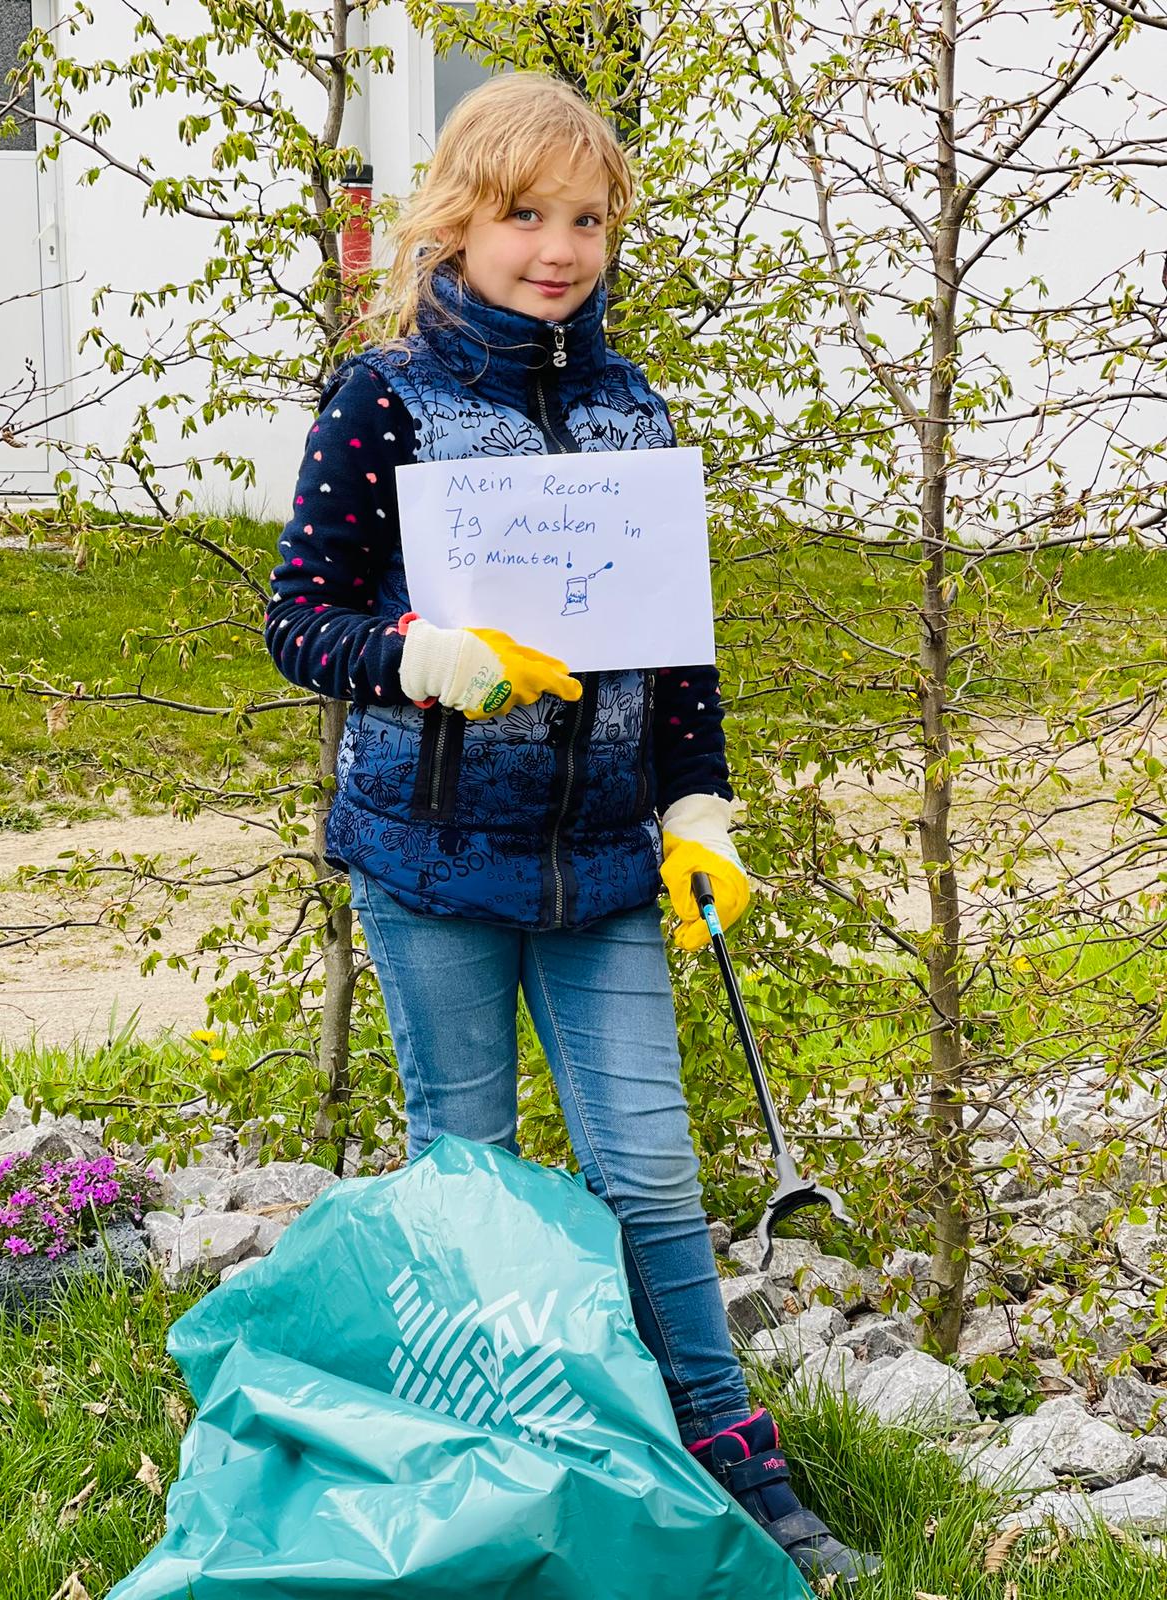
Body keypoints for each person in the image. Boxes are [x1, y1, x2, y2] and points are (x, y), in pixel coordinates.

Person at [265, 70, 879, 1587]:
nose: (559, 248)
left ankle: (725, 1453)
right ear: (456, 222)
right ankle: (498, 1464)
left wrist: (697, 810)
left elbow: (677, 652)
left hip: (603, 867)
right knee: (470, 1173)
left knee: (651, 1176)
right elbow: (301, 620)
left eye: (589, 219)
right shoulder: (384, 398)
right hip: (430, 862)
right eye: (526, 214)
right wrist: (421, 657)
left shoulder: (630, 408)